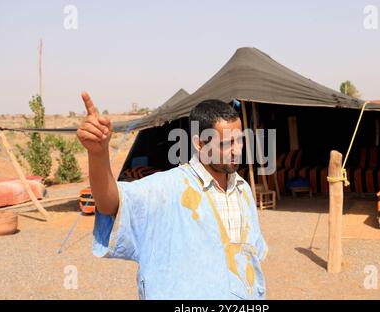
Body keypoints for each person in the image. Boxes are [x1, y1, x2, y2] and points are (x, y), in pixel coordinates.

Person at [77, 92, 268, 300]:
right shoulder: (167, 188)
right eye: (226, 144)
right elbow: (109, 204)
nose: (236, 150)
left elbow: (251, 256)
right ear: (200, 144)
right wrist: (98, 155)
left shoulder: (242, 189)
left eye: (239, 140)